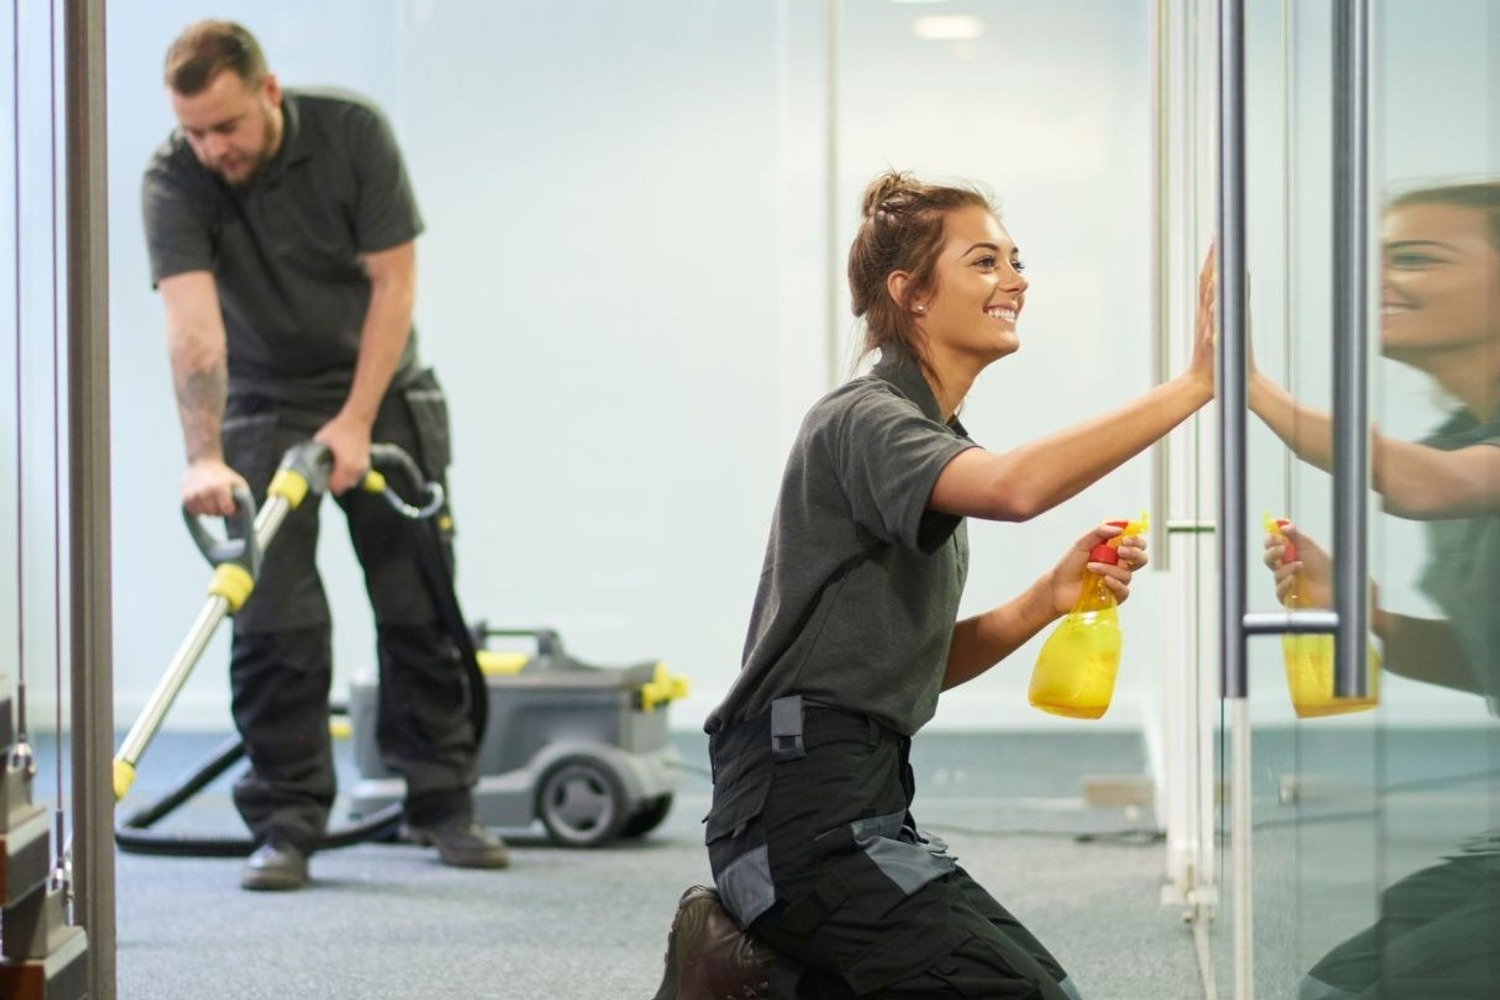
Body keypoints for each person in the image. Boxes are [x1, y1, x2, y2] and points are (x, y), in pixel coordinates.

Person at [650, 171, 1217, 999]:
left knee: (1031, 983)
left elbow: (900, 661)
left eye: (1016, 261)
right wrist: (1194, 386)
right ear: (910, 294)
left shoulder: (928, 434)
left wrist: (1045, 599)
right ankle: (758, 960)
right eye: (985, 263)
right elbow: (1016, 489)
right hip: (799, 815)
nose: (1016, 281)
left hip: (862, 797)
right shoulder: (866, 418)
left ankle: (757, 974)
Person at [141, 20, 509, 891]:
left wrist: (355, 419)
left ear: (268, 91)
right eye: (194, 130)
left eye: (225, 126)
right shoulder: (175, 176)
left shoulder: (351, 134)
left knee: (418, 605)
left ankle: (440, 803)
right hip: (262, 406)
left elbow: (395, 283)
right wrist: (202, 454)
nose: (211, 147)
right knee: (273, 624)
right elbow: (192, 329)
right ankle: (286, 821)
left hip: (380, 390)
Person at [1254, 181, 1500, 999]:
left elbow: (1423, 483)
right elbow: (1486, 664)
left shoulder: (1450, 465)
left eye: (1417, 259)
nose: (1380, 281)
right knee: (1333, 985)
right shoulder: (1462, 437)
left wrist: (1250, 387)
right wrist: (1369, 615)